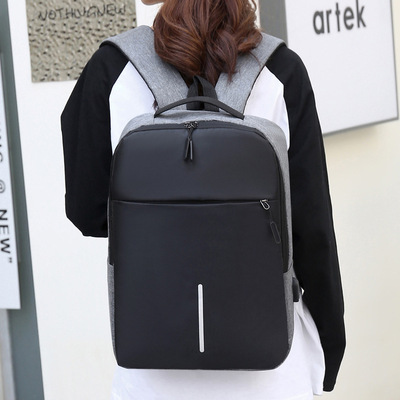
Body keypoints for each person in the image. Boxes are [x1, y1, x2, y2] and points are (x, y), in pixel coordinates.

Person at [61, 0, 345, 399]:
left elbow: (87, 213)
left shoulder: (112, 68)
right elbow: (312, 231)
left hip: (152, 369)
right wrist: (331, 345)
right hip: (271, 369)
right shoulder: (281, 71)